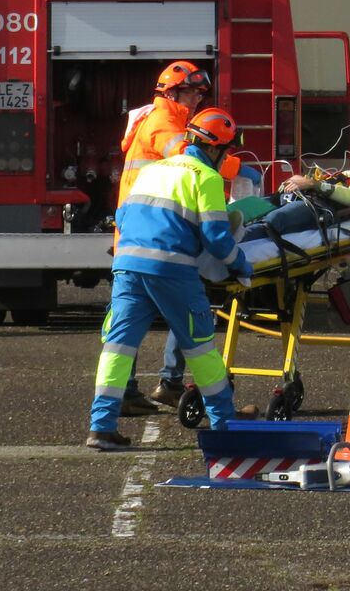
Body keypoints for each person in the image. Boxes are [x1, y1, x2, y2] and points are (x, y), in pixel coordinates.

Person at [86, 107, 252, 450]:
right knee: (201, 347)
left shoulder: (152, 170)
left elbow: (123, 214)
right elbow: (218, 238)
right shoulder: (204, 177)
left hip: (128, 266)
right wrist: (241, 265)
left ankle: (101, 427)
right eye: (227, 152)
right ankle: (224, 423)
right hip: (171, 270)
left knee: (117, 347)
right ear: (215, 149)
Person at [113, 60, 210, 415]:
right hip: (151, 233)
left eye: (200, 93)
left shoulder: (167, 119)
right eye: (192, 92)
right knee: (173, 310)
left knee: (132, 316)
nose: (198, 98)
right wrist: (232, 163)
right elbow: (190, 160)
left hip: (145, 229)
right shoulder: (163, 122)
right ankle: (144, 387)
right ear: (172, 92)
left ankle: (154, 386)